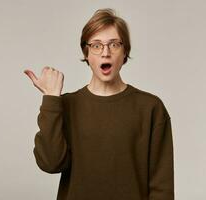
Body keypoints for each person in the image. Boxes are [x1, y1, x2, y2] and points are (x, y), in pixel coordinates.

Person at [24, 8, 175, 200]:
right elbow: (50, 163)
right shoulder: (66, 105)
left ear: (125, 51)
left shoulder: (150, 108)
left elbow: (162, 187)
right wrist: (51, 98)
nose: (105, 53)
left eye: (114, 44)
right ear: (86, 53)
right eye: (96, 45)